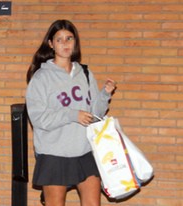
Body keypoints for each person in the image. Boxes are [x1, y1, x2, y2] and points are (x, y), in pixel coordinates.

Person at [26, 19, 116, 206]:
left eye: (69, 38)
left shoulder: (84, 73)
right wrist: (72, 115)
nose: (65, 43)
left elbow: (94, 114)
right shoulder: (41, 77)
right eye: (59, 40)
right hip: (54, 153)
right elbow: (38, 118)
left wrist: (105, 94)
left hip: (84, 151)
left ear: (75, 42)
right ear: (51, 44)